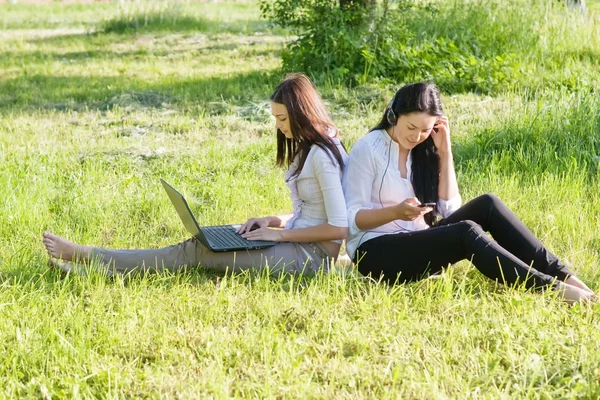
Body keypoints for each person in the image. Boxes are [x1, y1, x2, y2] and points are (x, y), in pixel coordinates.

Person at [43, 73, 349, 276]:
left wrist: (280, 234)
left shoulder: (322, 155)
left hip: (312, 259)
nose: (279, 126)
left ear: (300, 113)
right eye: (276, 118)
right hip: (296, 242)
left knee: (199, 252)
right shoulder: (306, 148)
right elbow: (313, 212)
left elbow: (338, 227)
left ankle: (90, 258)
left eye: (283, 118)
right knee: (207, 240)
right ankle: (99, 264)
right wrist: (273, 220)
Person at [342, 82, 595, 304]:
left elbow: (449, 209)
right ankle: (552, 288)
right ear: (393, 115)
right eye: (411, 126)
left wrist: (445, 151)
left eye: (425, 130)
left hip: (416, 242)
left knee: (488, 204)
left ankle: (567, 277)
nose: (416, 136)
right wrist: (395, 212)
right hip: (374, 252)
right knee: (465, 232)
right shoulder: (368, 149)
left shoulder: (423, 149)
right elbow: (353, 219)